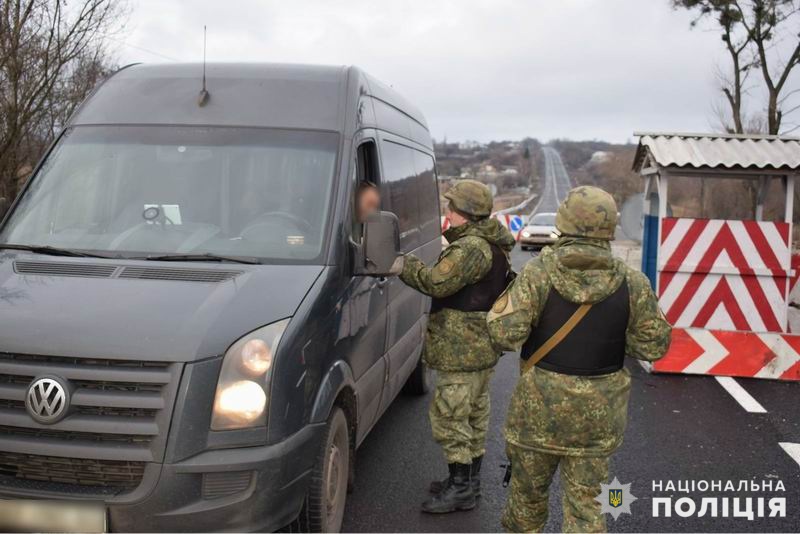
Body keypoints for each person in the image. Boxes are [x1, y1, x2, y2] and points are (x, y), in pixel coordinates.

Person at [486, 186, 672, 533]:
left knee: (525, 504)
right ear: (610, 227)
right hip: (598, 420)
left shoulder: (538, 274)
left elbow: (502, 333)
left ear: (564, 222)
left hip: (537, 414)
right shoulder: (633, 282)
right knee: (588, 510)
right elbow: (655, 345)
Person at [394, 179, 516, 514]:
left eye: (452, 207)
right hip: (479, 346)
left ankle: (462, 488)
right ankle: (467, 483)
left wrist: (403, 265)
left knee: (450, 418)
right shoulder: (491, 243)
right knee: (473, 416)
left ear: (465, 213)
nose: (447, 211)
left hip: (461, 348)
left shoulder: (470, 249)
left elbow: (436, 282)